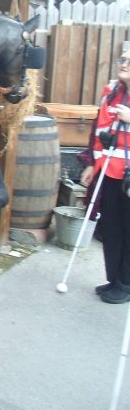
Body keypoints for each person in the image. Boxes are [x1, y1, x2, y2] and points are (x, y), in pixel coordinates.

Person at [81, 52, 130, 304]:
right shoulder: (111, 91)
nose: (123, 64)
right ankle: (115, 279)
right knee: (111, 228)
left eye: (129, 61)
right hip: (111, 170)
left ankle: (126, 283)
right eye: (122, 59)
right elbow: (97, 130)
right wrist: (91, 162)